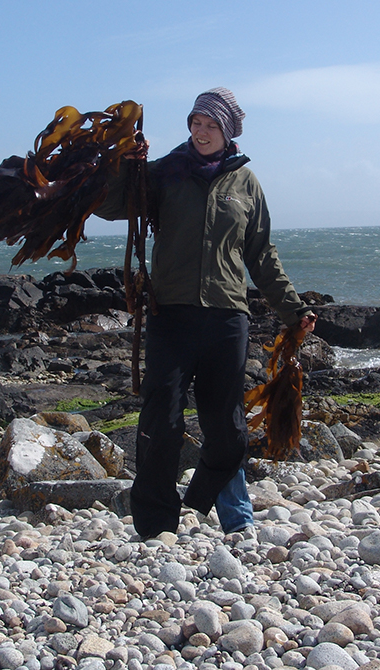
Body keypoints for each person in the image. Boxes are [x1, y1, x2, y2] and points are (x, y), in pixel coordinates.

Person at [96, 87, 316, 539]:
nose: (201, 132)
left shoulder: (246, 183)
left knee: (230, 433)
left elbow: (261, 255)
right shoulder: (165, 173)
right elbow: (112, 204)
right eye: (196, 122)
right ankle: (156, 527)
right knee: (163, 422)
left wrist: (294, 309)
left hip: (226, 318)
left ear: (228, 131)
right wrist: (124, 160)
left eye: (211, 125)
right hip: (170, 314)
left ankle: (196, 503)